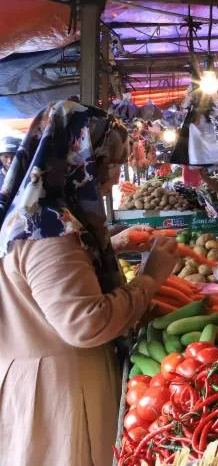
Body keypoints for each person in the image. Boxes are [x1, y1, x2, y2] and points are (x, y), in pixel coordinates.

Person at [0, 100, 179, 465]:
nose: (113, 176)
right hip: (57, 387)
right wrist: (150, 279)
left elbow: (42, 282)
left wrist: (113, 245)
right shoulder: (48, 228)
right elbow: (85, 323)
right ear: (78, 158)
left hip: (37, 372)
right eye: (107, 163)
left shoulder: (32, 211)